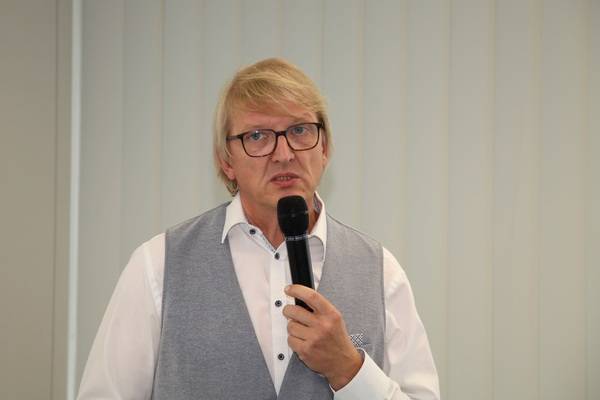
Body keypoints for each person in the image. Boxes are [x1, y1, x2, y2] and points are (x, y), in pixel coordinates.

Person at [77, 58, 440, 400]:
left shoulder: (380, 271)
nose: (284, 154)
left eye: (300, 130)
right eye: (257, 136)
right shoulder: (159, 265)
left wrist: (349, 369)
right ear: (226, 160)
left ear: (325, 148)